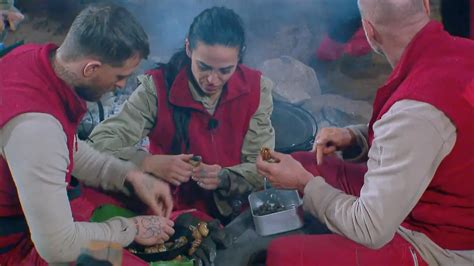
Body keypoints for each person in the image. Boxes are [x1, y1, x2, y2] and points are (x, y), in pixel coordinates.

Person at [257, 0, 474, 265]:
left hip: (444, 243)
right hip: (438, 192)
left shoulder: (415, 111)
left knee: (281, 255)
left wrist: (305, 184)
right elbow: (437, 138)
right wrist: (356, 137)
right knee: (308, 162)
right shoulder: (465, 51)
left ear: (368, 31)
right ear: (427, 6)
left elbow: (371, 229)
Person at [0, 4, 175, 265]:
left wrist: (128, 175)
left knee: (125, 199)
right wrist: (131, 229)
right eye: (120, 76)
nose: (121, 86)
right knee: (122, 259)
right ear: (91, 68)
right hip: (13, 246)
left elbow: (67, 146)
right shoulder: (36, 130)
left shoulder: (32, 58)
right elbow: (59, 247)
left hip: (30, 211)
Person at [88, 6, 275, 221]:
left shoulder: (257, 89)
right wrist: (149, 162)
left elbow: (266, 161)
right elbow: (98, 142)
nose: (212, 80)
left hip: (237, 210)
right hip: (172, 209)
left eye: (225, 70)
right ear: (189, 48)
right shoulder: (156, 88)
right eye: (203, 67)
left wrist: (226, 177)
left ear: (239, 57)